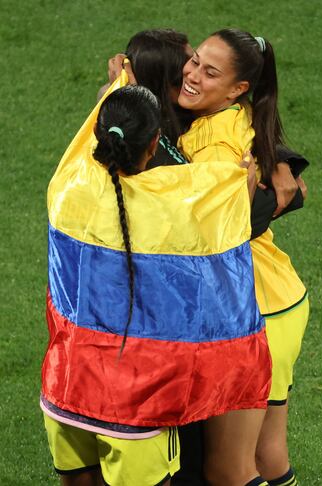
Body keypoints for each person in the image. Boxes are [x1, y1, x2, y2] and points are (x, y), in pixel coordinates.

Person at [42, 77, 271, 486]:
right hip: (134, 402)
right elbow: (222, 211)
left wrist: (118, 85)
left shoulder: (67, 184)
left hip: (66, 386)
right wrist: (245, 182)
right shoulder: (171, 207)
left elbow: (93, 129)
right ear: (153, 146)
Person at [176, 29, 309, 486]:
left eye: (209, 72)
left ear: (238, 89)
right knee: (268, 453)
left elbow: (206, 236)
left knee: (228, 470)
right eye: (193, 61)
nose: (192, 74)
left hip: (250, 313)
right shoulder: (240, 113)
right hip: (281, 299)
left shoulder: (210, 147)